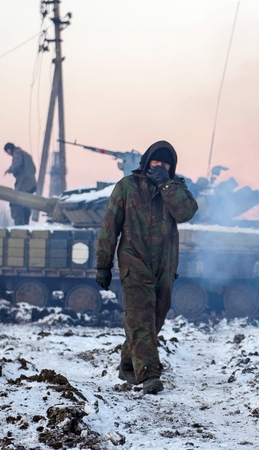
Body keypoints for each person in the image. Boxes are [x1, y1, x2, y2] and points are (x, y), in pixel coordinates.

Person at [94, 141, 198, 395]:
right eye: (156, 162)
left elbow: (187, 213)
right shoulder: (127, 187)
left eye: (166, 164)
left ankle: (129, 362)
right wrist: (103, 265)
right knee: (140, 319)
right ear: (146, 161)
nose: (160, 166)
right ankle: (149, 374)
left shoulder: (175, 188)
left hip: (164, 266)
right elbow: (110, 227)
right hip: (135, 263)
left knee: (155, 319)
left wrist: (166, 184)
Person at [3, 142, 37, 226]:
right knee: (25, 204)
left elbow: (17, 164)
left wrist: (10, 170)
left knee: (15, 202)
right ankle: (25, 224)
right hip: (31, 183)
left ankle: (19, 227)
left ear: (9, 150)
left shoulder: (17, 153)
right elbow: (34, 169)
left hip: (24, 183)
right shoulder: (27, 155)